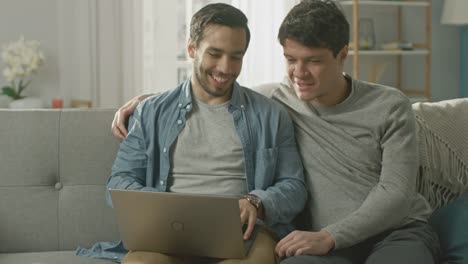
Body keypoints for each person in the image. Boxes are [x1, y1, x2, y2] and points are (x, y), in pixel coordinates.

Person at [112, 1, 441, 263]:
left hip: (393, 231)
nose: (299, 74)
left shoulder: (390, 105)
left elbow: (396, 194)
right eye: (290, 59)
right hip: (322, 240)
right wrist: (147, 103)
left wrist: (326, 236)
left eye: (312, 61)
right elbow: (215, 88)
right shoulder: (280, 98)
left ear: (343, 55)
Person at [98, 3, 307, 264]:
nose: (225, 68)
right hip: (168, 233)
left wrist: (256, 202)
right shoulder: (150, 112)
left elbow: (295, 187)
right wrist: (165, 209)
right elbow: (118, 182)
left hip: (245, 234)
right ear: (191, 49)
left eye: (236, 56)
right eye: (215, 54)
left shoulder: (271, 115)